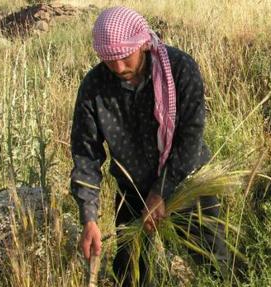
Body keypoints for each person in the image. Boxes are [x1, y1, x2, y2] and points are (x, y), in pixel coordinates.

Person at [70, 6, 228, 286]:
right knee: (131, 274)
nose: (118, 68)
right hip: (133, 192)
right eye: (109, 60)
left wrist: (161, 192)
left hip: (186, 182)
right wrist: (89, 217)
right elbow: (86, 155)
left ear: (141, 44)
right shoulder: (94, 87)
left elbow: (189, 138)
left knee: (214, 263)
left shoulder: (180, 70)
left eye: (124, 56)